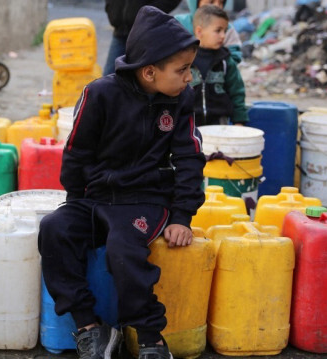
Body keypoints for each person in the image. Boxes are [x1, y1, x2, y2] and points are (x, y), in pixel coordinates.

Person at [38, 6, 205, 359]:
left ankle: (149, 337)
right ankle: (90, 328)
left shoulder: (180, 101)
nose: (189, 77)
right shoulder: (100, 94)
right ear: (149, 72)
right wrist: (74, 201)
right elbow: (76, 152)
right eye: (182, 69)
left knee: (123, 248)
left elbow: (190, 158)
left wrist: (181, 216)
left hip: (145, 199)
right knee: (54, 229)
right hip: (95, 196)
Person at [189, 5, 247, 127]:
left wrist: (239, 121)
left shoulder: (225, 61)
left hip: (219, 126)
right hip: (189, 124)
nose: (223, 36)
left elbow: (237, 92)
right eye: (218, 30)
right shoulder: (185, 60)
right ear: (199, 31)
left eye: (225, 31)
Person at [103, 0, 181, 76]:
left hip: (147, 33)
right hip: (120, 33)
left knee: (144, 80)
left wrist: (149, 12)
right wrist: (110, 7)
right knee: (107, 81)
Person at [175, 0, 243, 64]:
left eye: (221, 2)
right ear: (195, 3)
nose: (217, 6)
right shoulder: (178, 24)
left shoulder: (228, 29)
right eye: (211, 2)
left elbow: (234, 59)